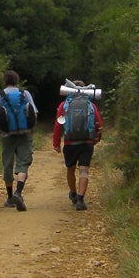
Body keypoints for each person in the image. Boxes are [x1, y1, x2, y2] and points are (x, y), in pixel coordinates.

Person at [0, 70, 39, 211]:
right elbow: (34, 114)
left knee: (8, 164)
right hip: (25, 134)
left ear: (5, 81)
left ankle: (10, 198)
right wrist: (31, 130)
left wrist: (1, 132)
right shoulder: (25, 94)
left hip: (7, 136)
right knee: (23, 164)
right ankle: (19, 192)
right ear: (17, 80)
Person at [52, 81, 103, 211]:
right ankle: (80, 199)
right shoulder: (90, 105)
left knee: (70, 169)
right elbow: (98, 123)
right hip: (87, 142)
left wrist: (56, 143)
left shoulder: (64, 105)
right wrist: (97, 138)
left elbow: (58, 124)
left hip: (70, 143)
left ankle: (73, 193)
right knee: (84, 170)